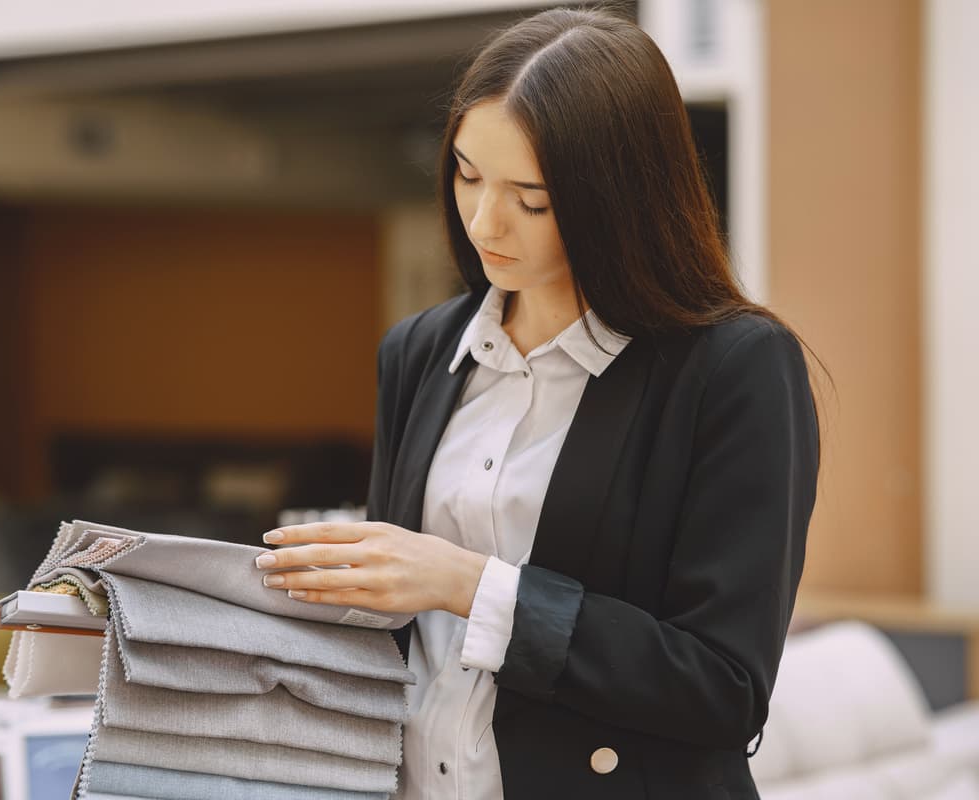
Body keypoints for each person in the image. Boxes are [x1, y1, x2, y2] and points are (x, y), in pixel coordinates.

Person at [253, 6, 820, 799]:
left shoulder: (733, 367)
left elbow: (722, 687)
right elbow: (398, 638)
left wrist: (467, 583)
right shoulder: (418, 352)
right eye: (466, 173)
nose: (486, 221)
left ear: (621, 195)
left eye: (534, 197)